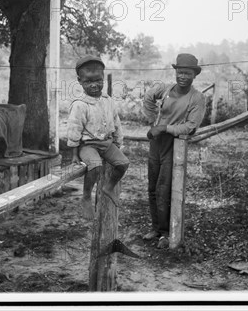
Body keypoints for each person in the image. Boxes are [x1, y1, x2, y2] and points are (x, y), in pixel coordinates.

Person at [142, 53, 206, 249]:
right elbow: (148, 97)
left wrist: (165, 128)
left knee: (165, 189)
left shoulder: (197, 98)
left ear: (194, 75)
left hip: (174, 145)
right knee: (152, 187)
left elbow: (190, 126)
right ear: (175, 72)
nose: (183, 77)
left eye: (187, 73)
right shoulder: (166, 89)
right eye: (180, 72)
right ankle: (155, 227)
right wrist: (153, 120)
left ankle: (166, 232)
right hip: (157, 143)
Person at [66, 55, 129, 220]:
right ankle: (86, 196)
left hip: (106, 143)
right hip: (88, 145)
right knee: (95, 165)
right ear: (80, 81)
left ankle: (109, 187)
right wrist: (74, 155)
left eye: (98, 80)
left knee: (123, 163)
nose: (94, 85)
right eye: (88, 81)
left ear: (103, 79)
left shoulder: (108, 100)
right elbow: (74, 129)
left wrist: (117, 142)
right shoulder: (80, 104)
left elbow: (116, 121)